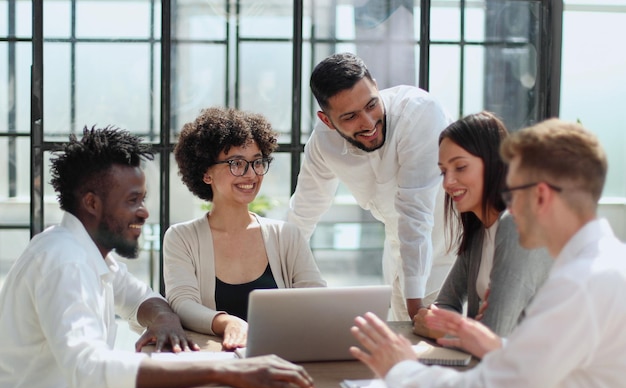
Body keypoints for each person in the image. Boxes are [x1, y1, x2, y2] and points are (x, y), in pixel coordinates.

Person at [0, 126, 314, 388]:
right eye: (132, 200)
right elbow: (89, 370)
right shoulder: (64, 262)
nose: (145, 212)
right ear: (92, 203)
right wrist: (226, 369)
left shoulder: (85, 252)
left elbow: (139, 297)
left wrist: (163, 318)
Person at [349, 118, 626, 388]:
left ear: (541, 196)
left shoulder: (578, 284)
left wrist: (401, 369)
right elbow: (541, 363)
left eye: (513, 192)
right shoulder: (603, 266)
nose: (508, 205)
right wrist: (495, 346)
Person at [287, 52, 455, 321]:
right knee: (404, 345)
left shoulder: (419, 112)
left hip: (452, 245)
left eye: (371, 105)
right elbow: (303, 213)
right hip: (398, 248)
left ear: (376, 86)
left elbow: (416, 213)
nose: (368, 123)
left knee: (445, 350)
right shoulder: (323, 143)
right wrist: (277, 285)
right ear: (326, 120)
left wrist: (416, 308)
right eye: (350, 117)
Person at [164, 107, 326, 350]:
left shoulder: (286, 236)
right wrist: (227, 323)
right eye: (236, 163)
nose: (251, 175)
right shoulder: (181, 238)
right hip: (216, 362)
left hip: (282, 356)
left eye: (257, 163)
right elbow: (181, 303)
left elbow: (317, 299)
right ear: (206, 173)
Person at [413, 112, 551, 339]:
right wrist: (461, 327)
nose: (447, 182)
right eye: (443, 171)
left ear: (494, 164)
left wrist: (447, 329)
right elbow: (445, 304)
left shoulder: (517, 224)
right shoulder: (479, 231)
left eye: (460, 167)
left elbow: (493, 336)